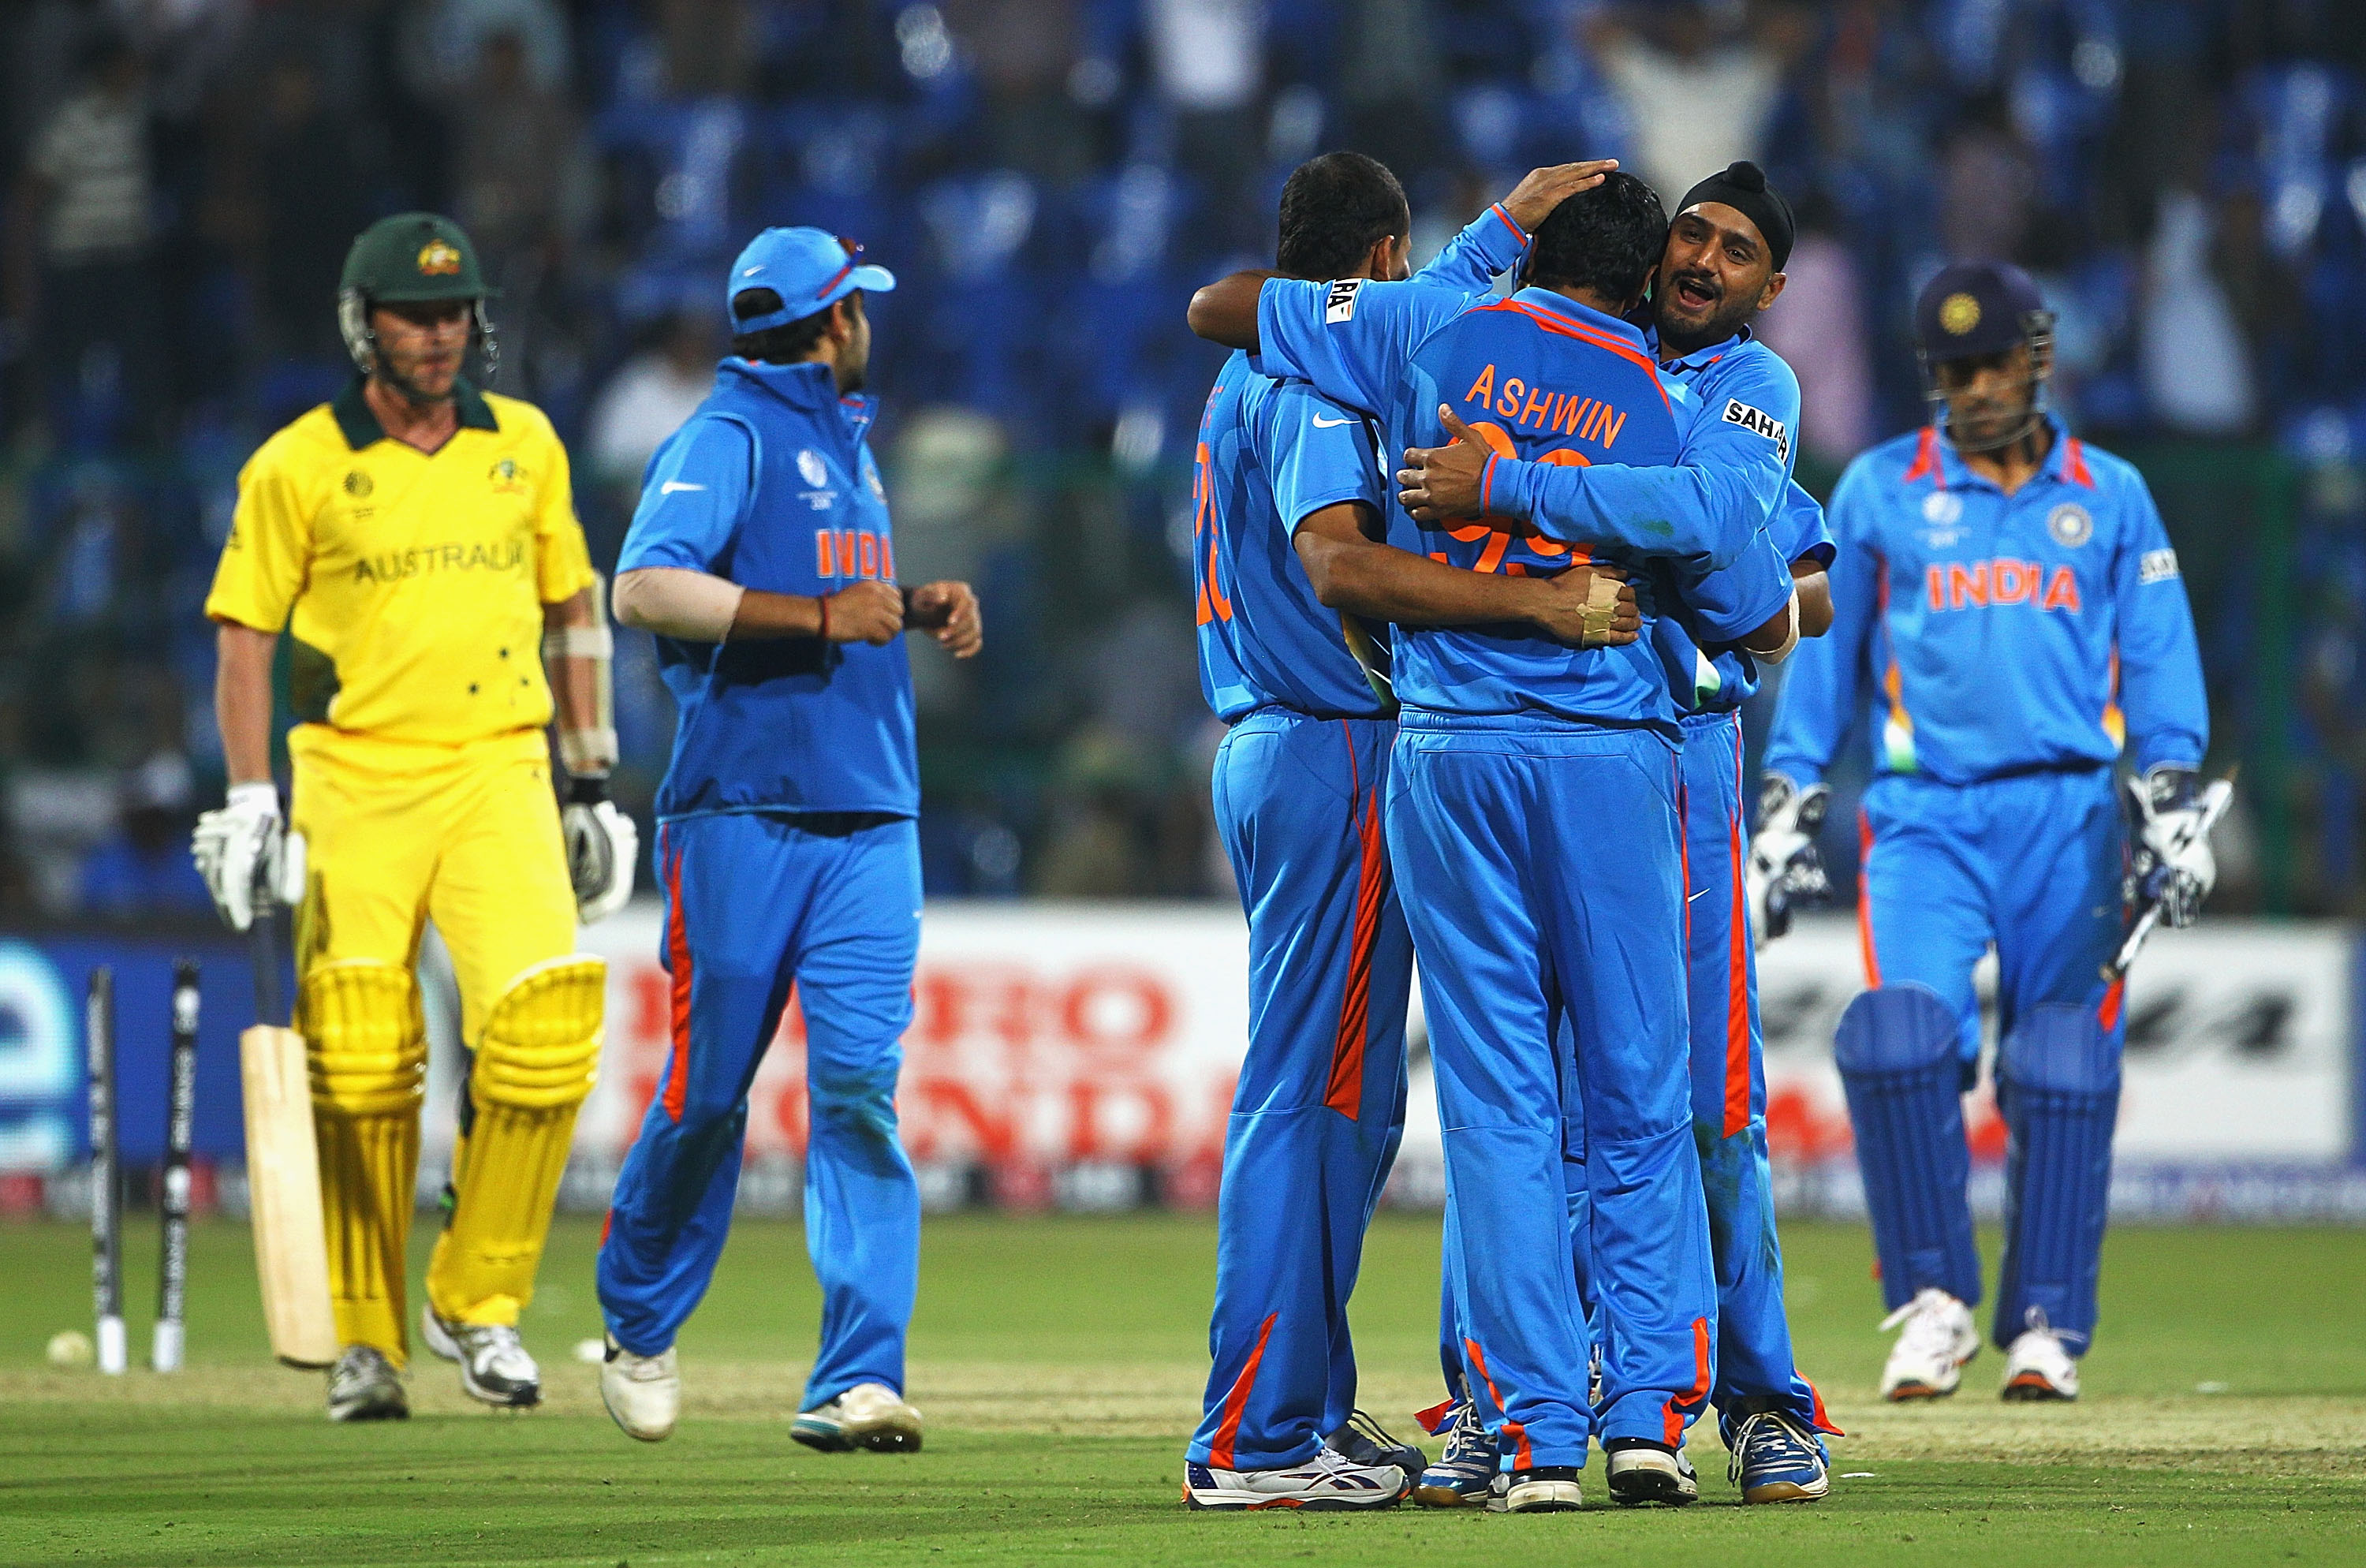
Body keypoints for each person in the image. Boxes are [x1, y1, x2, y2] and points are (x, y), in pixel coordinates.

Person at [1192, 173, 1801, 1513]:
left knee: (1497, 1112)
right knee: (1642, 1098)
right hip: (1605, 768)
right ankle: (1646, 1421)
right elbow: (1749, 592)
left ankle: (1525, 1439)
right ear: (1643, 277)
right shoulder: (1657, 399)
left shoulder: (1425, 339)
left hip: (1441, 757)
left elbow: (1224, 315)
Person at [1394, 162, 1844, 1506]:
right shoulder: (1601, 356)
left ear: (1771, 287)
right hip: (1581, 744)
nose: (1703, 258)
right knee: (1537, 1098)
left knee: (1696, 1101)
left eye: (1736, 249)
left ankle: (1760, 1399)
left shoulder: (1750, 391)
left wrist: (1517, 484)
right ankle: (1497, 1397)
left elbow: (1781, 574)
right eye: (1692, 232)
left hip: (1679, 754)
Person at [194, 212, 634, 1421]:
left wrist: (591, 778)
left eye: (454, 316)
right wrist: (247, 801)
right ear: (363, 326)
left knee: (548, 1035)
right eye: (414, 316)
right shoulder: (296, 464)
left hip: (501, 768)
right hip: (355, 775)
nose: (439, 337)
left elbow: (573, 608)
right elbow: (246, 636)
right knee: (360, 1058)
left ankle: (476, 1303)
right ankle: (361, 1339)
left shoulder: (526, 446)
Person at [1756, 261, 2214, 1403]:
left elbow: (2158, 652)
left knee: (2064, 1064)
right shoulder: (1877, 490)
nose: (1975, 389)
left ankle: (2049, 1322)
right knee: (1896, 1040)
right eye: (1953, 370)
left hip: (2069, 817)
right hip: (1924, 816)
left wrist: (2170, 791)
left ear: (2037, 359)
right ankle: (1932, 1306)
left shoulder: (2109, 494)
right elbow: (1828, 659)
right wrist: (1790, 794)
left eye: (1994, 364)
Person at [594, 227, 982, 1449]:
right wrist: (819, 613)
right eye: (858, 308)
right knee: (710, 1096)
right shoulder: (728, 435)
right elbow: (646, 587)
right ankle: (639, 1315)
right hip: (742, 819)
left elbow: (830, 605)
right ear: (832, 322)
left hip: (872, 815)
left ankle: (856, 1376)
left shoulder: (839, 443)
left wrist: (905, 606)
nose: (869, 324)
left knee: (860, 1092)